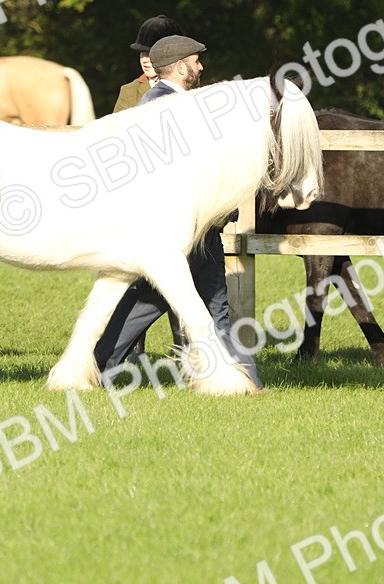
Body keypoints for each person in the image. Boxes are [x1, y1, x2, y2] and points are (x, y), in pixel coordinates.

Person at [95, 34, 262, 389]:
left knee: (216, 310)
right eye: (196, 61)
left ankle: (247, 382)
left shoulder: (187, 103)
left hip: (202, 231)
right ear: (180, 65)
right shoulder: (156, 106)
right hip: (172, 233)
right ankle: (96, 366)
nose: (201, 66)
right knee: (144, 302)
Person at [113, 15, 188, 356]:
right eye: (141, 52)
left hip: (182, 201)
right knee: (134, 279)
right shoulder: (130, 92)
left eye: (151, 51)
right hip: (142, 199)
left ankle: (185, 348)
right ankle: (132, 351)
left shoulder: (191, 90)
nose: (145, 57)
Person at [113, 14, 181, 113]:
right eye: (142, 52)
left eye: (150, 53)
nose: (144, 59)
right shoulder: (129, 92)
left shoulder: (191, 86)